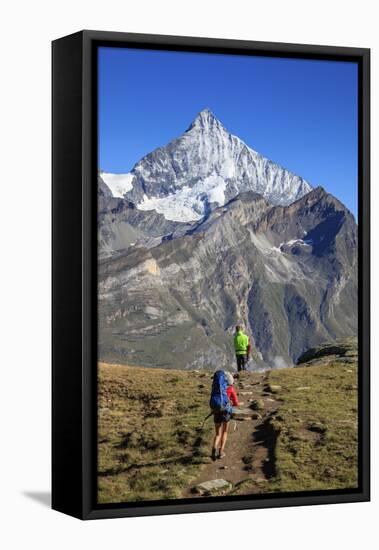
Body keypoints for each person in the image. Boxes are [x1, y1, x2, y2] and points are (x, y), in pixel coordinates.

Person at [211, 372, 239, 460]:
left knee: (217, 433)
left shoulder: (216, 389)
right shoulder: (230, 389)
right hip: (226, 412)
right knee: (225, 432)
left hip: (216, 410)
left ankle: (214, 448)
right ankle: (221, 451)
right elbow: (236, 403)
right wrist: (232, 404)